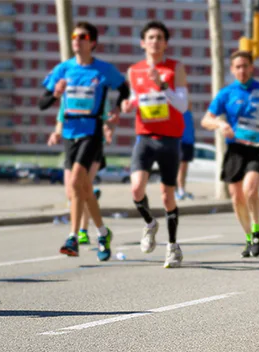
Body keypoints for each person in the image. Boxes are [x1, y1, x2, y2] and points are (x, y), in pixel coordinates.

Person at [39, 21, 129, 261]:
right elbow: (42, 103)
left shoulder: (103, 70)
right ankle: (102, 233)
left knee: (79, 180)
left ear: (93, 42)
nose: (77, 39)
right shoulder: (63, 69)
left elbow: (125, 88)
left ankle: (72, 237)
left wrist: (117, 109)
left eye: (82, 36)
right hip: (70, 134)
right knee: (81, 189)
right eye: (74, 35)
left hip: (92, 132)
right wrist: (56, 94)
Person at [121, 21, 189, 268]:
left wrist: (162, 85)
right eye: (150, 37)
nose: (155, 41)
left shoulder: (174, 68)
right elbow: (134, 99)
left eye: (160, 37)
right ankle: (150, 222)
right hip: (145, 137)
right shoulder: (134, 71)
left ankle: (172, 246)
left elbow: (182, 105)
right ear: (143, 43)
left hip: (170, 139)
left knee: (166, 195)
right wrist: (127, 106)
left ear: (165, 43)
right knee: (136, 188)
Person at [201, 51, 259, 258]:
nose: (242, 70)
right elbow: (206, 120)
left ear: (251, 67)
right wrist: (220, 123)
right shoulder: (226, 93)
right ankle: (248, 236)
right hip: (236, 149)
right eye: (237, 67)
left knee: (250, 189)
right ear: (232, 70)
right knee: (237, 197)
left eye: (245, 66)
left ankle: (256, 229)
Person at [53, 98, 113, 244]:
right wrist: (57, 132)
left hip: (92, 143)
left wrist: (107, 129)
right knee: (72, 192)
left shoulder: (96, 87)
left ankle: (81, 231)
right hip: (72, 143)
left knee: (80, 187)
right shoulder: (69, 88)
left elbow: (107, 117)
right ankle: (102, 231)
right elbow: (62, 115)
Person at [176, 110, 196, 201]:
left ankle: (182, 189)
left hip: (189, 141)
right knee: (181, 167)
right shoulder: (178, 110)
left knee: (185, 167)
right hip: (181, 140)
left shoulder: (188, 112)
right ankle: (179, 190)